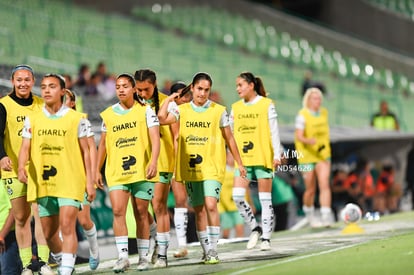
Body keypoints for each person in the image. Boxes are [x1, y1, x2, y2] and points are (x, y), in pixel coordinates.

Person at [158, 72, 246, 264]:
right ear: (193, 89)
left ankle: (213, 249)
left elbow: (229, 137)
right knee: (198, 210)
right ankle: (206, 250)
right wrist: (171, 99)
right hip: (191, 169)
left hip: (212, 167)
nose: (203, 93)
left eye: (206, 90)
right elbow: (161, 118)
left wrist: (240, 163)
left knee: (211, 205)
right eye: (199, 89)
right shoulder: (182, 110)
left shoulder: (219, 110)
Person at [17, 73, 95, 275]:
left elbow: (87, 151)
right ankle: (64, 259)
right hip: (43, 183)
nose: (46, 90)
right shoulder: (32, 119)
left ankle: (66, 269)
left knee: (68, 225)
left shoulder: (77, 119)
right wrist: (21, 167)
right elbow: (25, 147)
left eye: (52, 86)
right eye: (43, 87)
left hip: (70, 180)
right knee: (50, 234)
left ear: (62, 91)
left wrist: (89, 181)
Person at [95, 73, 160, 272]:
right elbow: (103, 144)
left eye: (125, 86)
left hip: (141, 170)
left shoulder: (146, 111)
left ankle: (142, 256)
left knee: (141, 213)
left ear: (133, 89)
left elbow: (155, 139)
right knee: (117, 211)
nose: (121, 89)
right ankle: (123, 257)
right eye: (118, 86)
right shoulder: (108, 114)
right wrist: (97, 170)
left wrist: (153, 161)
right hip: (116, 171)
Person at [0, 64, 54, 275]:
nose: (23, 83)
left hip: (39, 169)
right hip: (13, 169)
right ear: (13, 82)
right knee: (21, 218)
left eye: (27, 80)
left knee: (41, 214)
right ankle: (26, 265)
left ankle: (42, 262)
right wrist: (2, 157)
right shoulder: (3, 105)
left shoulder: (42, 105)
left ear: (33, 82)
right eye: (19, 80)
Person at [230, 72, 282, 250]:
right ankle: (255, 227)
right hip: (243, 161)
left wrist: (277, 154)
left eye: (240, 85)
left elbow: (274, 131)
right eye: (236, 85)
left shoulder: (267, 104)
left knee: (265, 199)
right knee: (237, 196)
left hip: (263, 157)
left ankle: (266, 238)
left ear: (251, 85)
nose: (237, 89)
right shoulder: (235, 108)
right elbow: (230, 134)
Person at [134, 69, 175, 268]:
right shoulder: (132, 103)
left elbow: (175, 136)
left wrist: (177, 168)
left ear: (155, 84)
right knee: (140, 209)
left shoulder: (168, 102)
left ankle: (163, 254)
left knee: (158, 205)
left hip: (163, 162)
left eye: (146, 89)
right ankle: (157, 238)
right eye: (139, 89)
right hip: (138, 163)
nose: (142, 93)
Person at [64, 89, 100, 270]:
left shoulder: (80, 120)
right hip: (60, 178)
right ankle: (66, 261)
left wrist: (92, 176)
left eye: (66, 100)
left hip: (79, 176)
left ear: (72, 103)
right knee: (64, 222)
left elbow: (91, 149)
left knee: (84, 220)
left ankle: (94, 250)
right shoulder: (47, 121)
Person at [294, 87, 333, 227]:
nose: (318, 101)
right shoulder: (302, 115)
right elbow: (299, 135)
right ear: (308, 100)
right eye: (315, 98)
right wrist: (307, 140)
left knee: (324, 183)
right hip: (306, 155)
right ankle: (310, 215)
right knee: (310, 189)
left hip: (322, 154)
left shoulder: (324, 113)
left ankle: (326, 215)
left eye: (319, 99)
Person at [168, 82, 192, 258]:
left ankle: (209, 243)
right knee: (180, 200)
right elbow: (176, 137)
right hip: (176, 161)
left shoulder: (193, 110)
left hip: (197, 160)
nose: (183, 98)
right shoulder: (172, 112)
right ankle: (182, 244)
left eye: (184, 95)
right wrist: (178, 162)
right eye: (179, 95)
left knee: (201, 204)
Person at [218, 149, 245, 239]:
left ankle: (241, 251)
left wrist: (251, 203)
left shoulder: (240, 170)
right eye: (230, 156)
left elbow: (246, 188)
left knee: (240, 230)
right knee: (226, 233)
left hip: (238, 205)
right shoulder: (222, 171)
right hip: (224, 207)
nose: (232, 158)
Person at [0, 180, 23, 274]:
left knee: (8, 272)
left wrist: (1, 236)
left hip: (8, 238)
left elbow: (15, 211)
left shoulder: (6, 182)